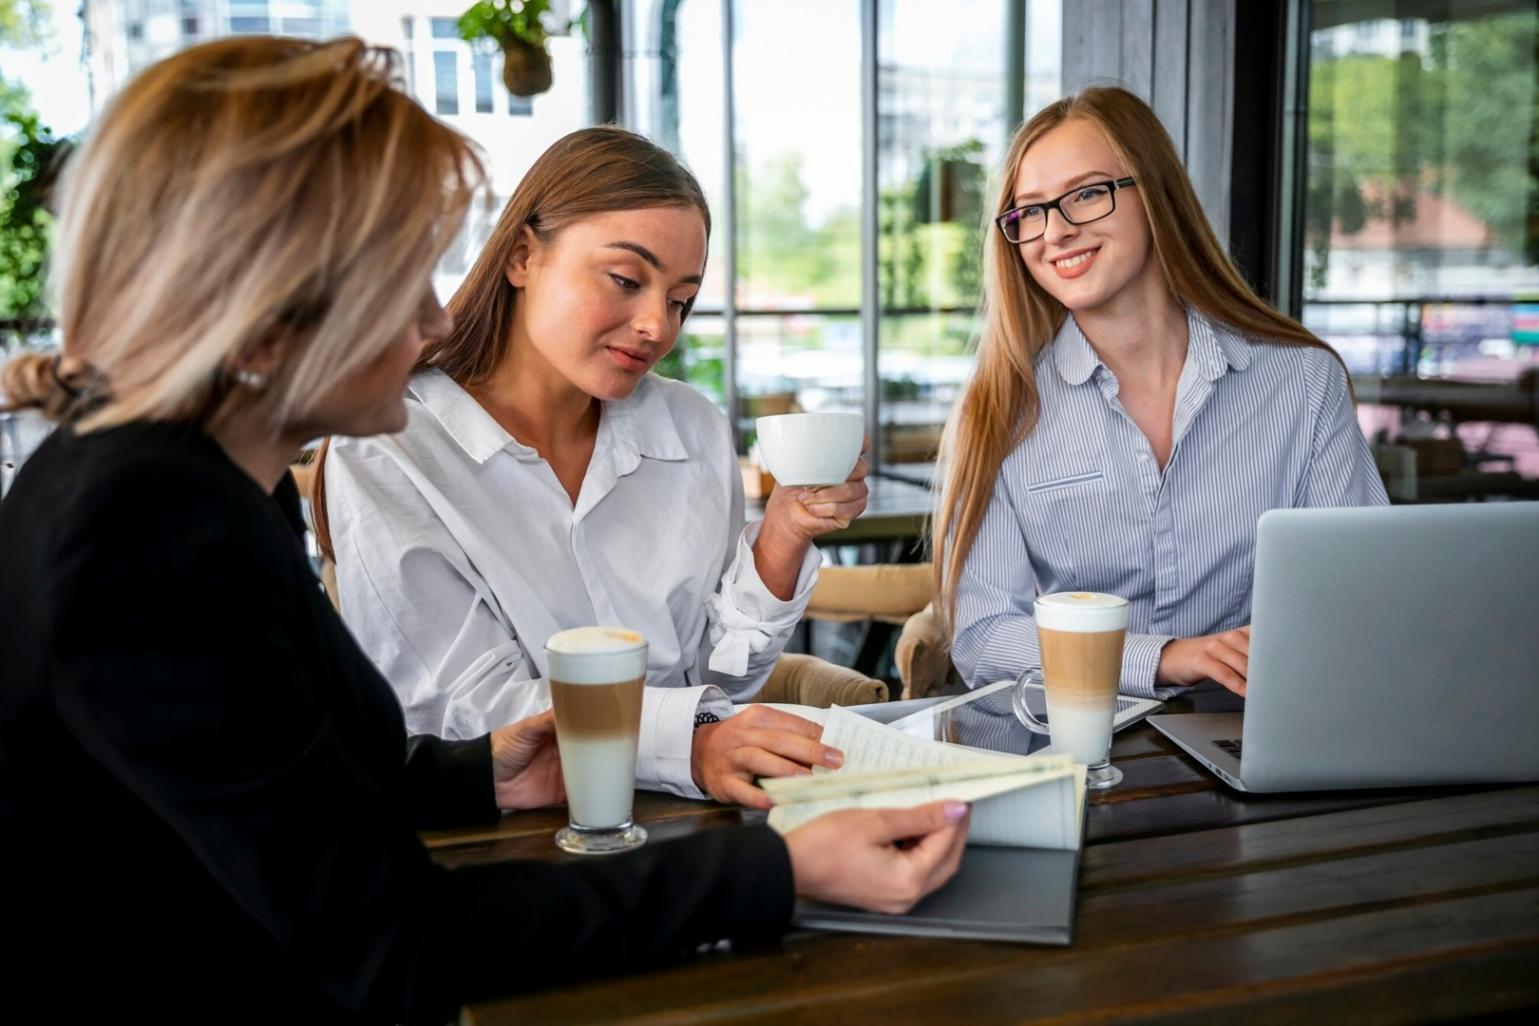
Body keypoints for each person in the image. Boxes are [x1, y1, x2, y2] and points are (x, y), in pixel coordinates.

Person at [0, 37, 967, 1023]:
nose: (430, 323)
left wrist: (475, 778)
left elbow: (272, 792)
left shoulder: (201, 493)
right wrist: (775, 874)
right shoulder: (147, 531)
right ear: (268, 308)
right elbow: (392, 935)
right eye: (404, 279)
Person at [313, 127, 869, 809]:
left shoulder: (691, 429)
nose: (656, 326)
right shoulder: (389, 444)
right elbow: (463, 710)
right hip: (503, 832)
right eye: (626, 280)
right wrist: (688, 747)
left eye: (680, 299)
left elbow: (717, 681)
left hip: (689, 813)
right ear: (522, 256)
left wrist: (782, 535)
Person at [935, 86, 1388, 700]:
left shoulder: (1301, 381)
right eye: (1031, 211)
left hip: (1261, 727)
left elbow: (1364, 592)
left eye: (1087, 194)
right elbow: (985, 636)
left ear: (1156, 195)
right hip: (1082, 751)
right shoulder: (998, 408)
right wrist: (1166, 658)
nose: (1056, 232)